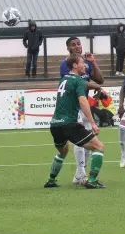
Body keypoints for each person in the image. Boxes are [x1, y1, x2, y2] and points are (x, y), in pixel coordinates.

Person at [45, 55, 106, 189]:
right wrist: (93, 123)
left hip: (55, 125)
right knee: (99, 147)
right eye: (82, 63)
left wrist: (97, 87)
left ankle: (51, 180)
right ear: (74, 65)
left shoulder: (63, 79)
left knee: (63, 151)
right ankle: (92, 180)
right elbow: (83, 101)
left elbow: (79, 89)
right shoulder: (78, 81)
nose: (85, 65)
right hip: (69, 124)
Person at [59, 37, 104, 186]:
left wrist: (92, 62)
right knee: (79, 138)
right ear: (68, 48)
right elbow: (80, 82)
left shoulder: (84, 64)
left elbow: (100, 79)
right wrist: (96, 87)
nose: (77, 47)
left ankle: (79, 173)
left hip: (83, 105)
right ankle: (82, 173)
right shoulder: (66, 64)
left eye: (79, 44)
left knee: (88, 138)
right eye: (73, 45)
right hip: (72, 105)